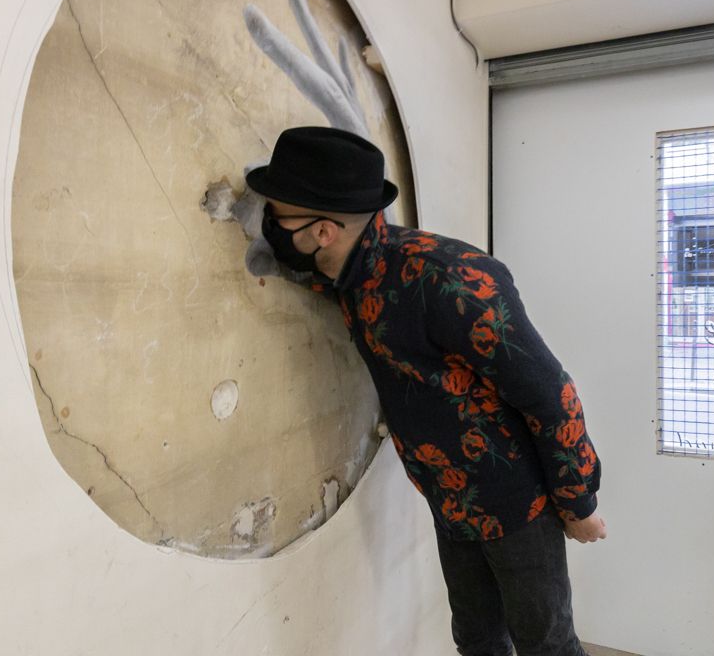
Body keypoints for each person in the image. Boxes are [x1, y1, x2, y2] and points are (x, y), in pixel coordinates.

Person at [247, 126, 605, 656]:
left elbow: (550, 392)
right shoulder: (349, 273)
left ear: (324, 231)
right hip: (449, 498)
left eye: (277, 218)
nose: (269, 227)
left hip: (518, 500)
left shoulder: (447, 279)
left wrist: (578, 500)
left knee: (546, 645)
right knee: (478, 639)